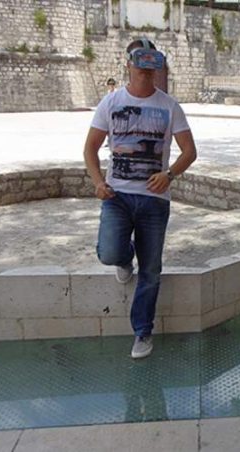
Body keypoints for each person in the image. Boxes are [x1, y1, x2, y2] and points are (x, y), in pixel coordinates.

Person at [83, 37, 197, 359]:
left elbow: (189, 151)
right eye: (140, 64)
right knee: (109, 252)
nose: (146, 71)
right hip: (117, 195)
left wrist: (169, 174)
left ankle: (142, 332)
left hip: (154, 201)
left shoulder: (170, 106)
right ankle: (124, 258)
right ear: (128, 65)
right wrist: (98, 182)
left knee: (151, 269)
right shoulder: (110, 103)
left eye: (152, 65)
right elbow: (90, 149)